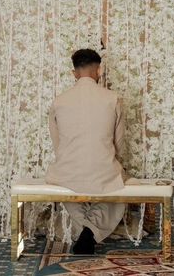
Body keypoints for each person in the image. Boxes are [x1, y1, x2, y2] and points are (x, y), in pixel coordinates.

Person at [46, 48, 125, 254]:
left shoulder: (58, 101)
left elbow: (58, 145)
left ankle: (86, 232)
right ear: (99, 71)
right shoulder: (113, 98)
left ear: (74, 73)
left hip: (67, 172)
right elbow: (119, 143)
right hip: (103, 170)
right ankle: (89, 233)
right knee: (118, 194)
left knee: (63, 187)